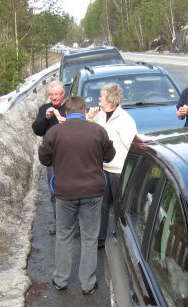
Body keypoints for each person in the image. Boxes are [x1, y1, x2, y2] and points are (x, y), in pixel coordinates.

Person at [38, 96, 115, 295]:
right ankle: (88, 284)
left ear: (65, 112)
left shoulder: (55, 132)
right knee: (89, 238)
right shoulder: (97, 131)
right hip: (93, 192)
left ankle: (61, 280)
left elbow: (44, 158)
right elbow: (110, 156)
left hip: (65, 193)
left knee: (64, 236)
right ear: (83, 111)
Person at [86, 83, 138, 249]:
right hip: (102, 169)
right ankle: (101, 238)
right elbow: (90, 135)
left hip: (118, 171)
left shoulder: (125, 120)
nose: (99, 98)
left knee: (118, 206)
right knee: (100, 204)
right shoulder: (100, 116)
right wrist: (90, 119)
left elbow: (132, 145)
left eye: (101, 96)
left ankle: (119, 239)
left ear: (109, 99)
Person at [32, 80, 67, 235]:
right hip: (52, 157)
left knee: (71, 190)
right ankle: (59, 224)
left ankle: (73, 224)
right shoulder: (44, 109)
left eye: (57, 94)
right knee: (55, 190)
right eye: (51, 95)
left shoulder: (69, 108)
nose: (54, 98)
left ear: (63, 94)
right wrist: (45, 118)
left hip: (69, 156)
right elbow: (37, 130)